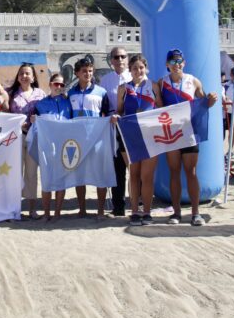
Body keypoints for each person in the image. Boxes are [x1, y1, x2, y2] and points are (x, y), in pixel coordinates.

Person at [158, 49, 218, 226]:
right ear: (167, 65)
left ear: (184, 63)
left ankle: (195, 213)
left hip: (190, 133)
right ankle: (176, 213)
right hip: (171, 134)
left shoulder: (193, 81)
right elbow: (158, 107)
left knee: (191, 173)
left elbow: (204, 103)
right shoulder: (161, 84)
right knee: (174, 172)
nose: (177, 64)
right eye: (173, 61)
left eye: (179, 61)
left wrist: (212, 100)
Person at [117, 54, 163, 226]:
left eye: (141, 67)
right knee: (134, 175)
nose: (138, 71)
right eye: (134, 68)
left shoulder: (154, 86)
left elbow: (161, 108)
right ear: (130, 70)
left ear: (146, 68)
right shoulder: (123, 88)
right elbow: (120, 110)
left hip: (150, 136)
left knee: (147, 176)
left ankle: (147, 212)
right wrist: (116, 116)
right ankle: (135, 211)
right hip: (130, 136)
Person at [67, 57, 112, 218]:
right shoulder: (70, 93)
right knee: (79, 175)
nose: (88, 73)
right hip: (78, 140)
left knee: (99, 174)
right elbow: (67, 117)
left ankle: (100, 210)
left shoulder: (101, 92)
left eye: (90, 71)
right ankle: (82, 209)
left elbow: (109, 112)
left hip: (97, 139)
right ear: (77, 73)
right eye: (84, 71)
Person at [32, 73, 74, 220]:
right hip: (46, 146)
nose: (59, 87)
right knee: (46, 179)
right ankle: (46, 213)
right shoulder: (40, 104)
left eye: (62, 85)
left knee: (61, 179)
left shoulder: (68, 103)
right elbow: (35, 125)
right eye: (56, 84)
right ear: (50, 84)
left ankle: (57, 213)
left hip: (63, 146)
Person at [8, 62, 46, 219]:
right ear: (18, 76)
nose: (24, 76)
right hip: (16, 137)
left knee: (31, 173)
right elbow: (5, 113)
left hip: (34, 137)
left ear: (33, 77)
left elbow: (45, 114)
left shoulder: (41, 94)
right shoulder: (11, 94)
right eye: (21, 73)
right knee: (15, 172)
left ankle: (31, 208)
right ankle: (14, 208)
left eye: (27, 73)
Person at [99, 46, 132, 217]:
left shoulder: (136, 76)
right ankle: (118, 205)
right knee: (117, 167)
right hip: (113, 126)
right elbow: (102, 105)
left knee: (134, 166)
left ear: (127, 59)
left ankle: (137, 202)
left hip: (133, 125)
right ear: (111, 60)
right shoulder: (105, 80)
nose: (120, 60)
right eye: (116, 57)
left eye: (123, 56)